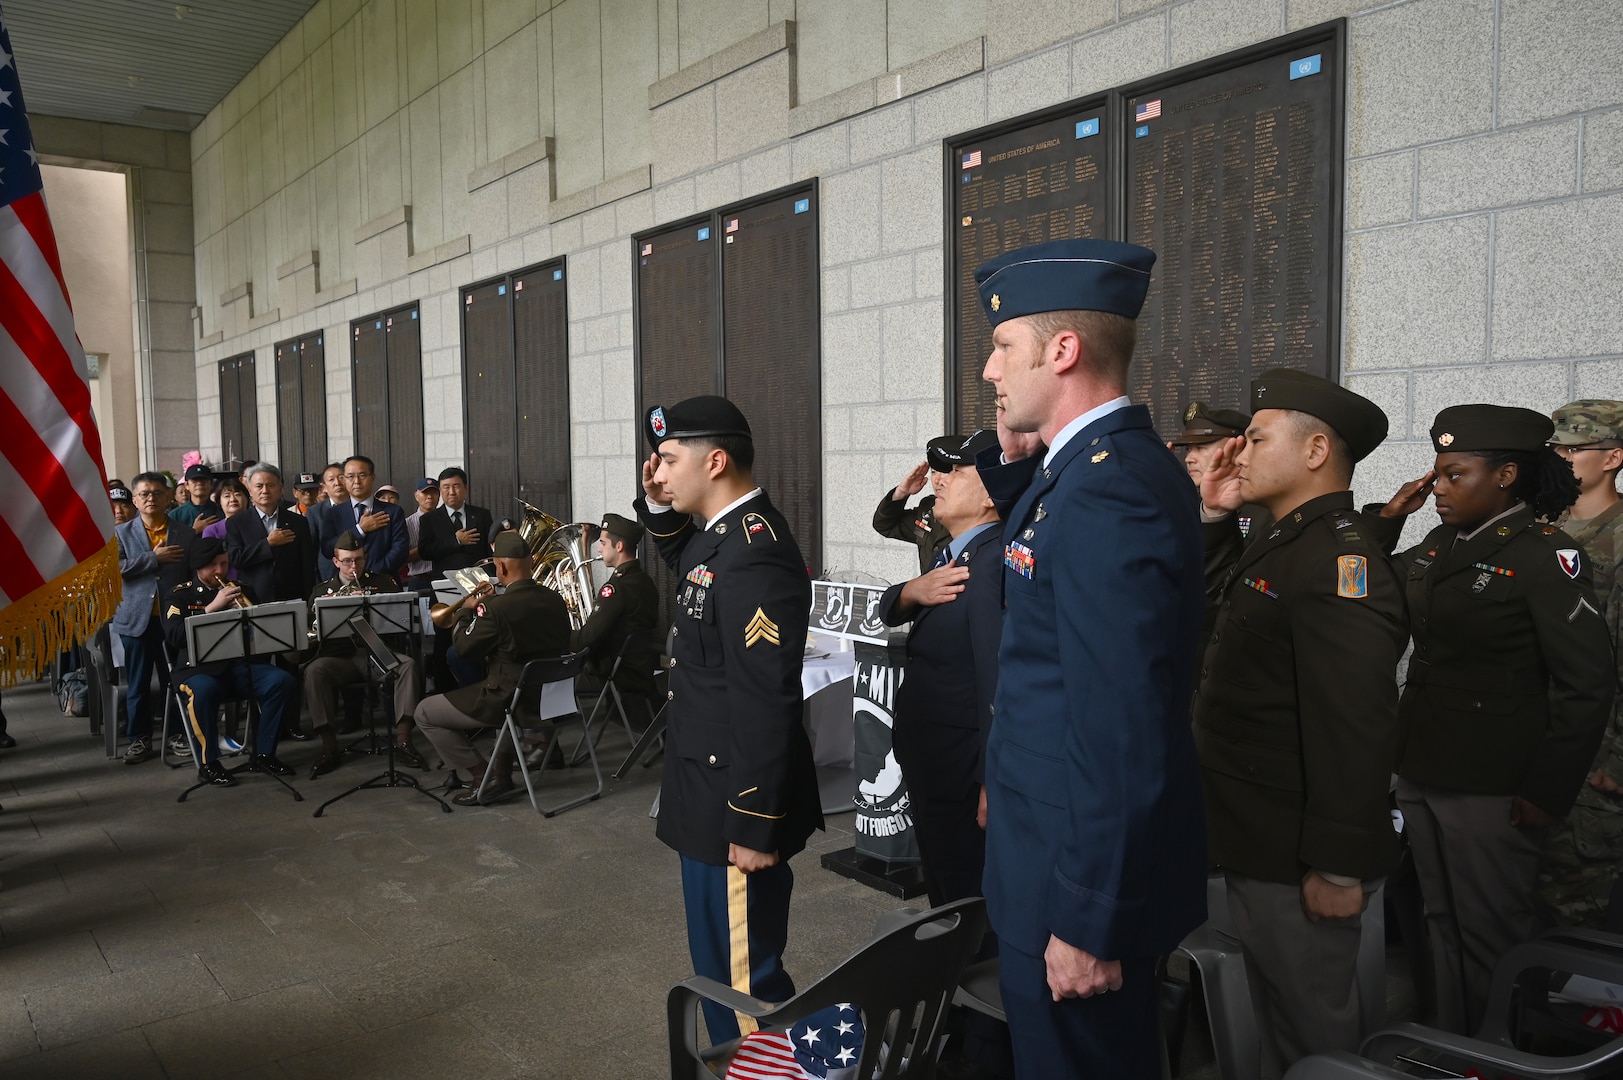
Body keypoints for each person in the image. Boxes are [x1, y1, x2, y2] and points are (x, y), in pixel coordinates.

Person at [971, 238, 1207, 1076]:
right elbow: (1044, 590)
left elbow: (1119, 726)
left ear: (1060, 351)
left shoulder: (1109, 486)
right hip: (1051, 848)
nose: (991, 370)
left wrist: (1088, 918)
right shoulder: (1089, 472)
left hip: (1071, 885)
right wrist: (1009, 464)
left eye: (1003, 346)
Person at [1373, 404, 1616, 1033]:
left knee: (1491, 930)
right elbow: (1372, 594)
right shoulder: (1439, 543)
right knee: (1439, 922)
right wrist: (1383, 526)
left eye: (1455, 475)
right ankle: (1456, 1045)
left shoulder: (1546, 555)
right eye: (1438, 473)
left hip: (1492, 782)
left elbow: (1586, 685)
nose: (1439, 489)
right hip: (1424, 765)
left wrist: (1547, 789)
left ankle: (1504, 1051)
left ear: (1506, 475)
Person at [1193, 370, 1406, 1076]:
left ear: (1315, 451)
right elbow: (1215, 623)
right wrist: (1215, 518)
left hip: (1296, 853)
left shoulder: (1339, 559)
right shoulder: (1284, 540)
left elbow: (1355, 724)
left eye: (1255, 438)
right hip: (1256, 835)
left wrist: (1339, 864)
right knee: (1267, 1014)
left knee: (1311, 1029)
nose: (1237, 452)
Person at [634, 395, 822, 1046]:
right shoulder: (718, 537)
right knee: (719, 969)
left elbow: (765, 698)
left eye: (667, 459)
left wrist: (753, 821)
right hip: (703, 787)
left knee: (745, 987)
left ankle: (767, 1066)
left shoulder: (754, 551)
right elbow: (687, 568)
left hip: (731, 800)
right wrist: (658, 502)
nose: (655, 470)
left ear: (714, 461)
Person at [878, 429, 1003, 907]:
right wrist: (911, 590)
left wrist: (992, 777)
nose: (938, 478)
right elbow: (896, 603)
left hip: (962, 774)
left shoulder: (990, 564)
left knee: (966, 900)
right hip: (937, 763)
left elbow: (996, 679)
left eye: (955, 470)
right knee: (946, 889)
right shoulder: (958, 554)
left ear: (991, 494)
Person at [1533, 401, 1623, 929]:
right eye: (1557, 448)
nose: (1562, 457)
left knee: (1574, 904)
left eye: (1574, 448)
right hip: (1536, 740)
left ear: (1613, 457)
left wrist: (1618, 760)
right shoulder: (1544, 530)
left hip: (1595, 755)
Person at [412, 532, 571, 805]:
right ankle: (500, 774)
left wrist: (466, 612)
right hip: (552, 699)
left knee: (424, 712)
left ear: (502, 567)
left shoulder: (496, 609)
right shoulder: (554, 599)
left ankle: (481, 775)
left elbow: (463, 649)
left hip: (510, 700)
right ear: (531, 563)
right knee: (510, 692)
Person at [161, 538, 297, 785]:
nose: (220, 571)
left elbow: (264, 632)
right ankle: (208, 763)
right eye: (213, 566)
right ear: (198, 566)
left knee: (281, 680)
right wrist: (212, 608)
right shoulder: (178, 595)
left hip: (239, 665)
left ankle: (265, 754)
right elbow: (174, 636)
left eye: (224, 564)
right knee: (205, 691)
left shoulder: (242, 588)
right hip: (197, 670)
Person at [303, 532, 424, 777]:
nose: (353, 566)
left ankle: (403, 739)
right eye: (347, 561)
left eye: (358, 559)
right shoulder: (322, 591)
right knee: (314, 671)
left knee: (408, 665)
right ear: (336, 562)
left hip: (377, 652)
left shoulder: (383, 583)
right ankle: (328, 745)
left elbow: (402, 620)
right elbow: (309, 633)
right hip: (340, 657)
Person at [112, 472, 196, 764]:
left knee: (175, 679)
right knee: (138, 682)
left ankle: (176, 733)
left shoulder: (185, 533)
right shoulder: (121, 534)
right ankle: (139, 738)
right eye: (144, 494)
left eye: (157, 493)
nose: (151, 498)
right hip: (137, 618)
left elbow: (191, 575)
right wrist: (153, 559)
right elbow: (114, 569)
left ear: (169, 497)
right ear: (134, 500)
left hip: (173, 619)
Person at [569, 514, 660, 700]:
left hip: (615, 674)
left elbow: (584, 641)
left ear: (619, 546)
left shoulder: (615, 588)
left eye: (603, 543)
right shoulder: (645, 581)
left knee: (547, 676)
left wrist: (557, 635)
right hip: (640, 669)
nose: (599, 549)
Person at [227, 463, 317, 603]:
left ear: (281, 489)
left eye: (270, 485)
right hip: (255, 598)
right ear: (250, 490)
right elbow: (237, 559)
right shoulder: (236, 523)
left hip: (292, 597)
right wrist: (267, 544)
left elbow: (307, 565)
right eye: (259, 486)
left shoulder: (298, 522)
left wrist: (308, 600)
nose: (265, 491)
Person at [872, 436, 959, 573]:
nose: (937, 480)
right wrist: (901, 493)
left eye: (945, 471)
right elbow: (885, 525)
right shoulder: (928, 509)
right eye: (934, 472)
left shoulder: (978, 513)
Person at [314, 455, 408, 575]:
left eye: (362, 475)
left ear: (373, 477)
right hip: (347, 584)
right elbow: (328, 549)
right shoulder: (333, 514)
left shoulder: (393, 511)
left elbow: (400, 549)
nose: (357, 481)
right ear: (344, 480)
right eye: (351, 476)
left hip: (385, 581)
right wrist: (360, 530)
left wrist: (373, 573)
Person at [418, 467, 495, 576]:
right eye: (446, 487)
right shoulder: (429, 519)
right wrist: (456, 540)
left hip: (479, 580)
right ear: (440, 491)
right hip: (445, 580)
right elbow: (425, 552)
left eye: (456, 486)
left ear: (465, 488)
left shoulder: (482, 515)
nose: (452, 492)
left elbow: (490, 549)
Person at [403, 477, 440, 593]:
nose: (429, 497)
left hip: (443, 579)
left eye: (433, 492)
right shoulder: (407, 523)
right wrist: (428, 547)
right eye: (425, 493)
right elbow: (403, 558)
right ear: (416, 495)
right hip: (420, 580)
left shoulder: (447, 519)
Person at [169, 463, 222, 534]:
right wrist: (193, 531)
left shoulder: (221, 511)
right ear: (187, 485)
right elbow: (171, 542)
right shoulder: (175, 515)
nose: (199, 483)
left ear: (211, 484)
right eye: (194, 480)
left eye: (204, 480)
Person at [201, 478, 247, 543]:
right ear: (219, 501)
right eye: (227, 496)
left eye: (237, 494)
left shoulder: (257, 525)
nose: (233, 499)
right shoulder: (212, 530)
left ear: (247, 498)